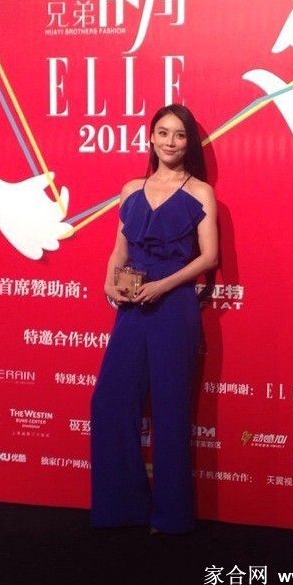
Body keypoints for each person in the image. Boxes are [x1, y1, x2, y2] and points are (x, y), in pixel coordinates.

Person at [90, 104, 218, 534]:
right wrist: (109, 282)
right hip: (132, 307)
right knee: (109, 402)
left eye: (179, 135)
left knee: (170, 407)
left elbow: (209, 257)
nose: (170, 142)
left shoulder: (200, 192)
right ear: (150, 137)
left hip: (174, 306)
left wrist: (164, 285)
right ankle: (122, 507)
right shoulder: (131, 189)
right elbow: (119, 250)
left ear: (188, 142)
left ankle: (170, 517)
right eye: (162, 132)